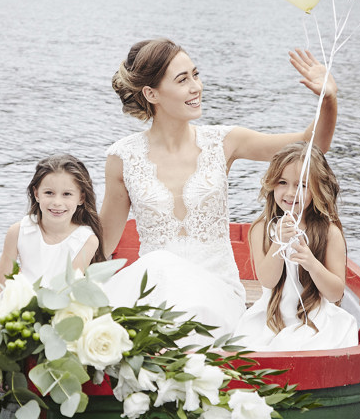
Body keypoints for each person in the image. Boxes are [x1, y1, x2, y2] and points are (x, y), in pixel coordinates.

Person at [100, 38, 338, 340]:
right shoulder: (123, 157)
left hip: (215, 292)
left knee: (177, 299)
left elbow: (313, 146)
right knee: (155, 268)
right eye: (183, 79)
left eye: (196, 75)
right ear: (151, 93)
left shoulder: (224, 141)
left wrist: (329, 99)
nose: (196, 87)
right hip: (153, 292)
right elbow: (103, 244)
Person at [234, 142, 358, 350]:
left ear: (318, 189)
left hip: (314, 316)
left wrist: (311, 263)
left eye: (301, 185)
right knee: (249, 344)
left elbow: (336, 294)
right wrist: (278, 245)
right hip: (273, 315)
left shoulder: (329, 232)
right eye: (282, 182)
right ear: (271, 184)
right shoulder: (262, 229)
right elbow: (268, 281)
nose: (290, 192)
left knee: (307, 343)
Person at [0, 154, 104, 300]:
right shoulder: (19, 231)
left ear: (81, 197)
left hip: (56, 308)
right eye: (49, 193)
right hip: (16, 304)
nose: (57, 202)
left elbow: (68, 292)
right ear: (36, 194)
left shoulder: (86, 240)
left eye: (67, 194)